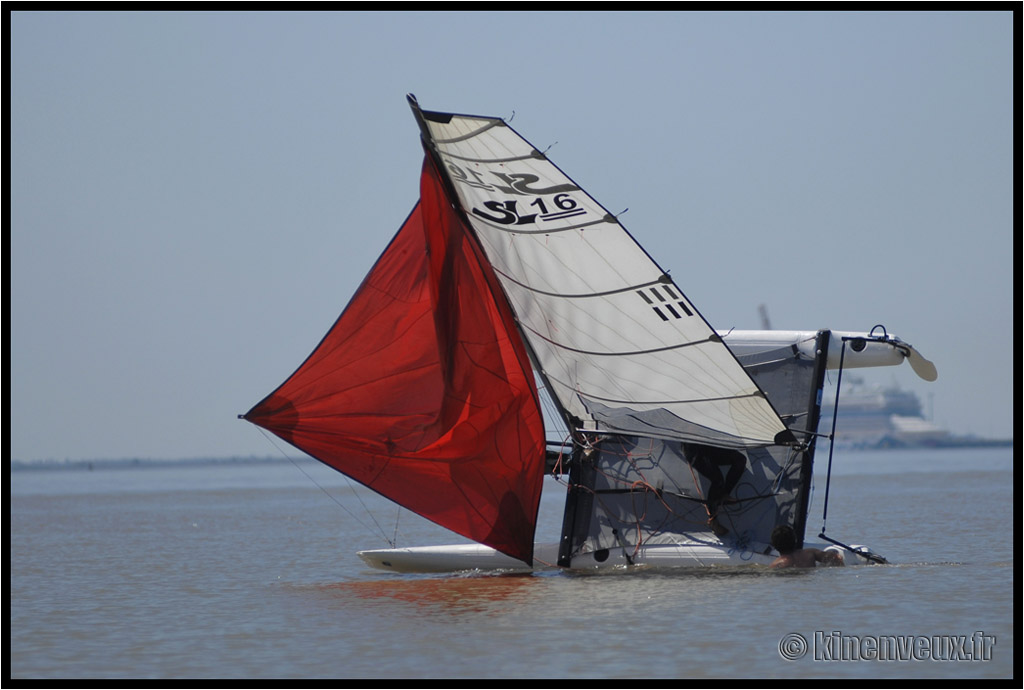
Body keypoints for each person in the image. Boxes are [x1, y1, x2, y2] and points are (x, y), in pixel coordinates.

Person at [683, 443, 747, 537]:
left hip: (710, 446)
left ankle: (724, 494)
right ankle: (712, 519)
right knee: (718, 480)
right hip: (695, 452)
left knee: (740, 460)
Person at [769, 524, 844, 568]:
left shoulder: (777, 564)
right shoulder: (810, 553)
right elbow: (834, 557)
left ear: (774, 545)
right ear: (795, 540)